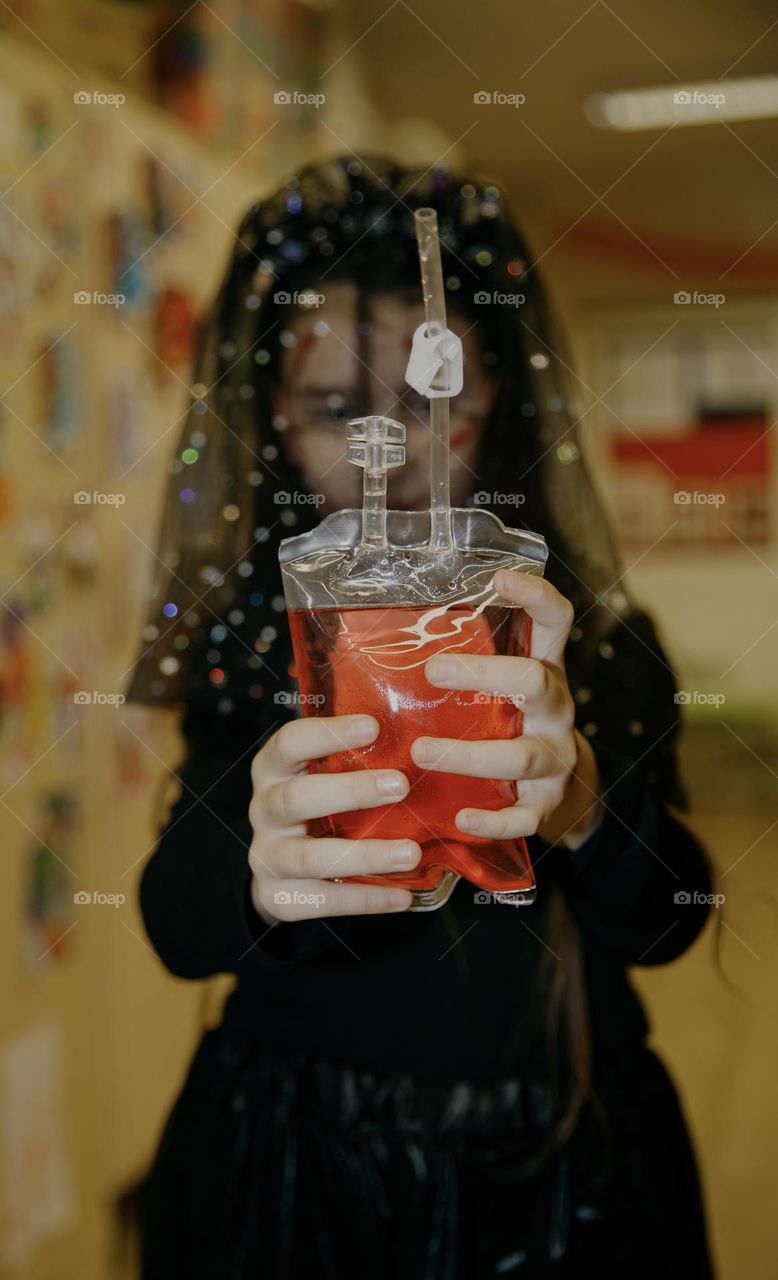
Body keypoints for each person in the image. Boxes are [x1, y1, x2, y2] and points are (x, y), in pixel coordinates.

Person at [127, 155, 716, 1279]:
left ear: (489, 402)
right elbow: (172, 921)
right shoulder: (258, 644)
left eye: (423, 402)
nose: (380, 450)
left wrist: (584, 803)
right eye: (332, 409)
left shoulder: (586, 639)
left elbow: (672, 917)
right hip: (295, 1161)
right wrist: (254, 855)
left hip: (563, 1172)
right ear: (275, 419)